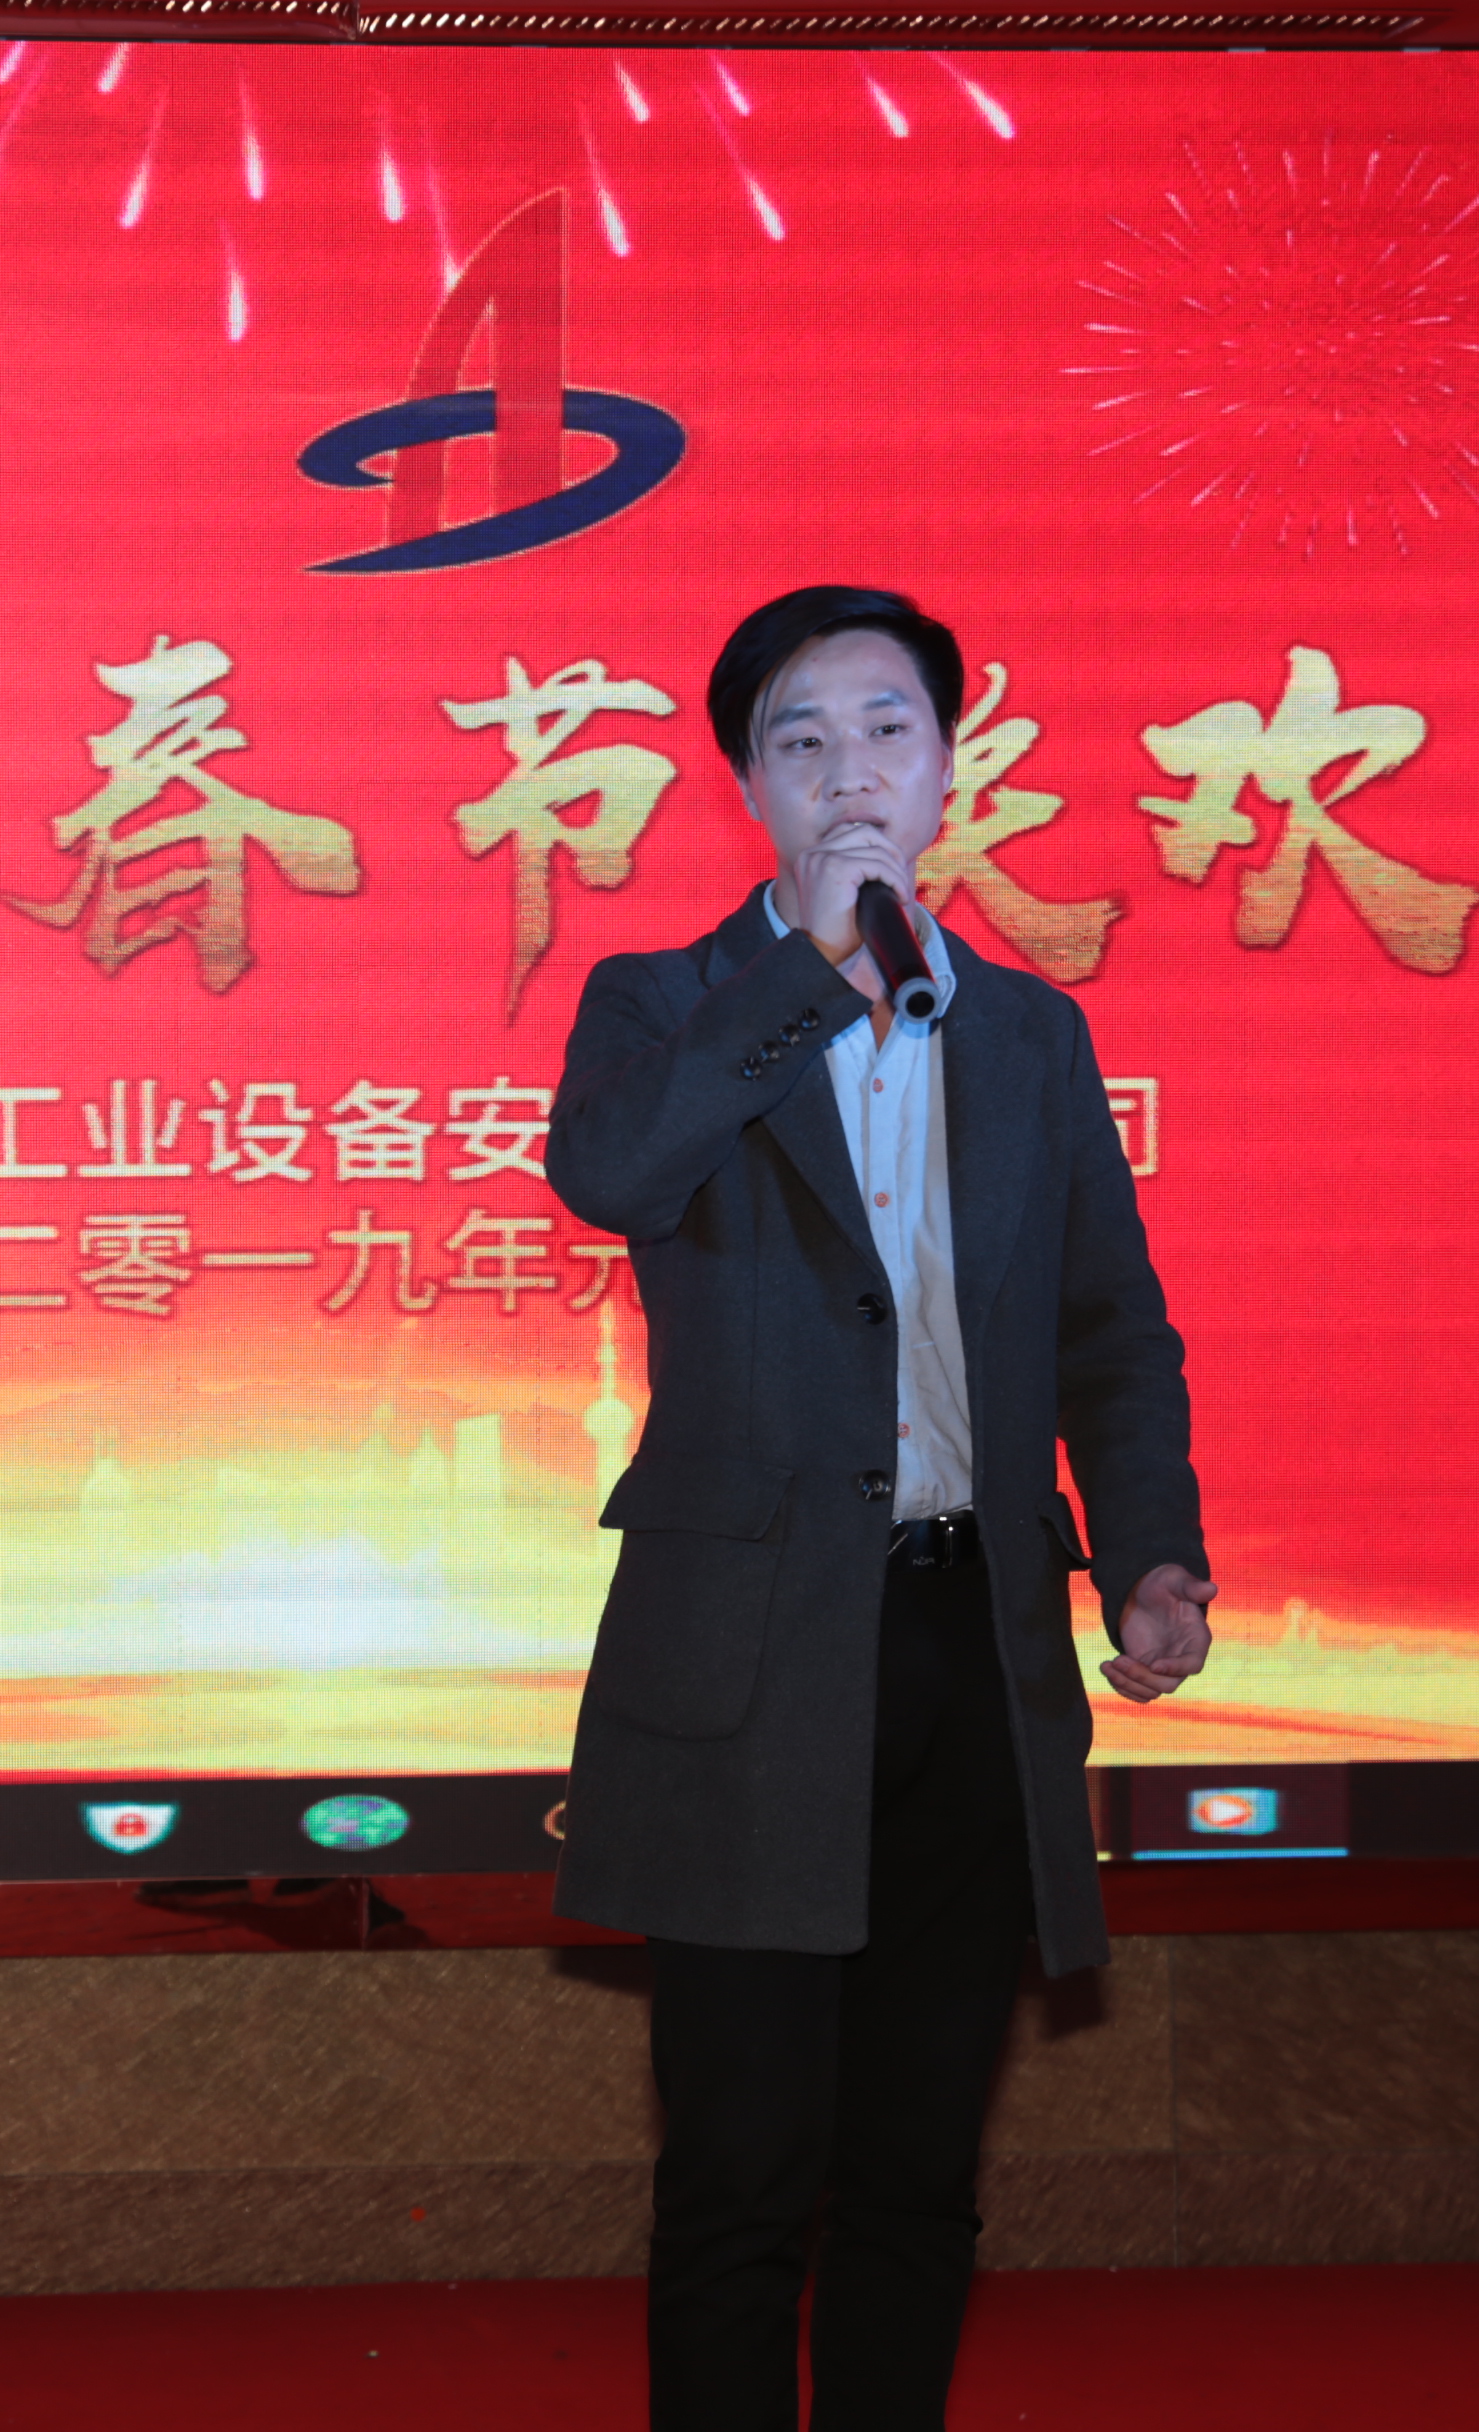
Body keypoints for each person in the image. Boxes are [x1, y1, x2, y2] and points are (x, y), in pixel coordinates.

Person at [544, 585, 1218, 2430]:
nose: (850, 769)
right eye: (804, 739)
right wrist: (808, 972)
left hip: (970, 1647)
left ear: (946, 771)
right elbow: (612, 1171)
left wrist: (1153, 1553)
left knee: (918, 2175)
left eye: (888, 730)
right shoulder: (661, 1004)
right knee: (742, 2176)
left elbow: (1109, 1332)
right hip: (754, 1656)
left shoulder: (1030, 1039)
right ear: (752, 786)